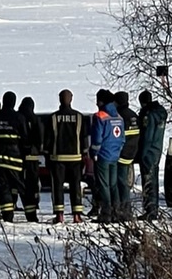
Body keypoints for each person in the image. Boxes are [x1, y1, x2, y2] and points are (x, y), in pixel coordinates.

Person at [0, 91, 29, 222]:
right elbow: (25, 140)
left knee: (3, 187)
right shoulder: (19, 118)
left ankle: (7, 215)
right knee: (20, 186)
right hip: (15, 160)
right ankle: (31, 214)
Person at [47, 89, 89, 223]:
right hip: (75, 158)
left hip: (57, 158)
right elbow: (84, 138)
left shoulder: (53, 117)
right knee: (75, 186)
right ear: (71, 99)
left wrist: (48, 154)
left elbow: (48, 139)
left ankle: (59, 215)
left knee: (57, 186)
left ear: (59, 99)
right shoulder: (79, 117)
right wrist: (84, 153)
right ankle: (77, 215)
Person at [90, 89, 124, 223]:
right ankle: (117, 211)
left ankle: (106, 213)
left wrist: (94, 153)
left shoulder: (99, 116)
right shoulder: (119, 117)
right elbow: (122, 138)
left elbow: (97, 139)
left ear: (100, 101)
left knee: (103, 185)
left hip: (103, 155)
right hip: (115, 155)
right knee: (113, 185)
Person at [137, 90, 169, 218]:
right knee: (153, 180)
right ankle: (152, 208)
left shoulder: (148, 115)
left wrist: (141, 154)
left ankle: (150, 210)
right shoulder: (160, 113)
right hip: (157, 149)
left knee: (148, 181)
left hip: (148, 152)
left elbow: (147, 137)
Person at [17, 96, 44, 222]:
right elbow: (40, 137)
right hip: (33, 158)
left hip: (19, 156)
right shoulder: (36, 119)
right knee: (32, 184)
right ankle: (32, 211)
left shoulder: (18, 118)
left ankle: (13, 205)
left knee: (19, 183)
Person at [114, 91, 140, 221]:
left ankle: (124, 209)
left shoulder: (120, 117)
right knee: (125, 182)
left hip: (121, 154)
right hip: (131, 153)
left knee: (121, 182)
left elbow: (118, 137)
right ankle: (126, 209)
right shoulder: (134, 115)